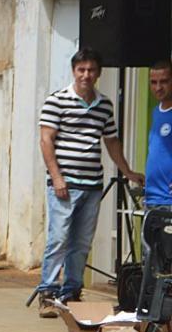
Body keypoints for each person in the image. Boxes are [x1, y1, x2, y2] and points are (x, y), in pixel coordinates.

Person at [36, 48, 144, 317]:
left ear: (98, 73)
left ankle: (71, 291)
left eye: (91, 70)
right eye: (81, 70)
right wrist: (57, 177)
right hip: (64, 185)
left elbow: (111, 141)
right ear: (74, 71)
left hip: (92, 184)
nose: (86, 75)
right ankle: (47, 293)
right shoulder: (57, 101)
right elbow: (46, 140)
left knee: (82, 242)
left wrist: (128, 172)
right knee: (59, 237)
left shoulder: (104, 105)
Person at [145, 60, 172, 210]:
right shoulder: (156, 111)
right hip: (152, 197)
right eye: (153, 82)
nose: (158, 87)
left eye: (164, 82)